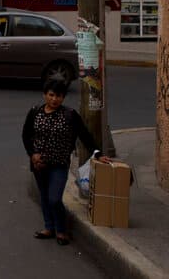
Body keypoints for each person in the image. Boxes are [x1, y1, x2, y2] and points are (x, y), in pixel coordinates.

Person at [21, 79, 108, 245]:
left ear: (63, 97)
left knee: (54, 198)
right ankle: (49, 227)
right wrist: (32, 154)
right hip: (39, 165)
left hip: (59, 165)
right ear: (45, 95)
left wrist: (98, 154)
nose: (54, 99)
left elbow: (85, 136)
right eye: (51, 95)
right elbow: (26, 136)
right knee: (45, 197)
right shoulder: (35, 112)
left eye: (59, 96)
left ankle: (61, 230)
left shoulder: (69, 115)